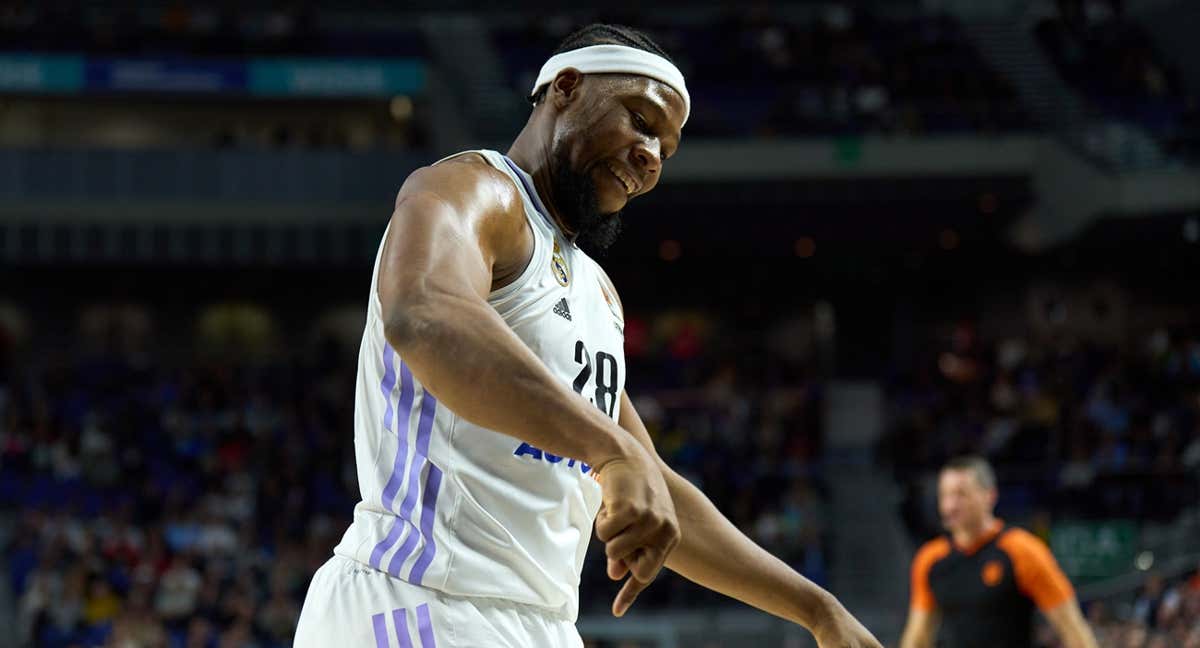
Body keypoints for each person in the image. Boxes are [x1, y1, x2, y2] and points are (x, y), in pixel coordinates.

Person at [294, 22, 880, 648]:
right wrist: (614, 452)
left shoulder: (598, 293)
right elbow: (424, 314)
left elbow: (653, 484)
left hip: (539, 622)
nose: (653, 157)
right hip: (419, 596)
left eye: (667, 148)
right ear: (566, 88)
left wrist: (817, 610)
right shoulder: (473, 190)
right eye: (641, 121)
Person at [899, 455, 1099, 648]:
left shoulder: (1022, 550)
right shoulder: (930, 559)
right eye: (945, 495)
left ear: (989, 496)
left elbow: (1072, 629)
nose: (950, 505)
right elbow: (918, 637)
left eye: (961, 494)